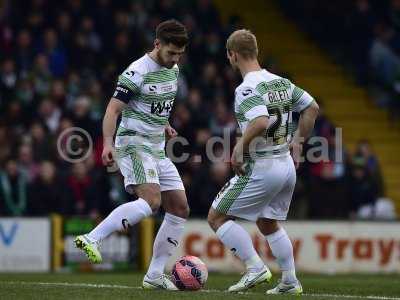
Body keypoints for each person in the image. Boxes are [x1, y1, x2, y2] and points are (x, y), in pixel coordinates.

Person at [74, 19, 190, 290]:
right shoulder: (136, 72)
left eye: (180, 55)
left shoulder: (173, 70)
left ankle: (154, 274)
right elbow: (113, 110)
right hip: (133, 144)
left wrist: (165, 124)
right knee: (151, 201)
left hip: (156, 147)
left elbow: (156, 108)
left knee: (180, 207)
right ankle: (93, 237)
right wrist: (107, 144)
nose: (175, 59)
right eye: (171, 52)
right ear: (157, 44)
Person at [207, 29, 319, 294]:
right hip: (286, 165)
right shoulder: (281, 82)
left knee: (216, 218)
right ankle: (290, 281)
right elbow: (311, 108)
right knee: (268, 223)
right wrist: (298, 143)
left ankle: (255, 268)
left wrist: (239, 148)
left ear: (232, 55)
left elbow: (259, 122)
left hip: (263, 166)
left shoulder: (247, 88)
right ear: (255, 52)